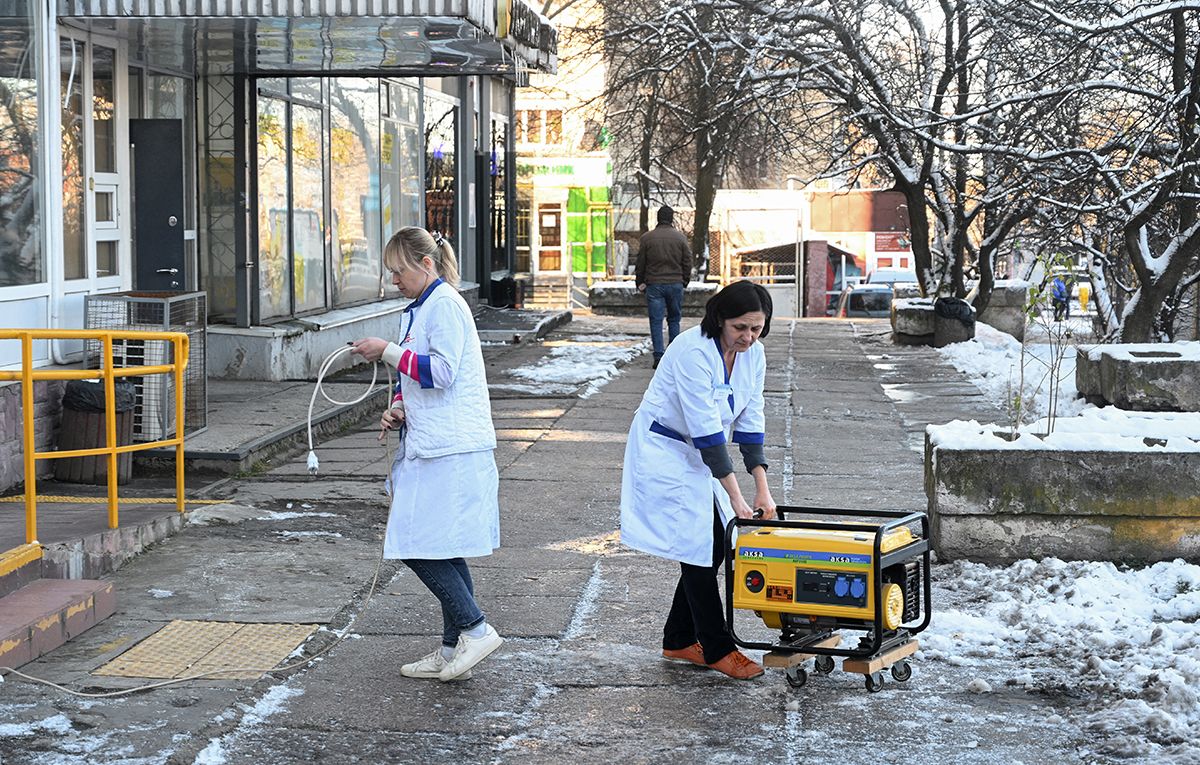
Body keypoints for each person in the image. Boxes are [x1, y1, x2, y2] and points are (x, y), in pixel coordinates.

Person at [350, 227, 503, 682]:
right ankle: (453, 648)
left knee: (414, 544)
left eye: (399, 271)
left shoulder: (445, 306)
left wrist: (387, 352)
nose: (394, 280)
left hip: (451, 448)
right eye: (391, 272)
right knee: (445, 546)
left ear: (427, 264)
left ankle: (476, 629)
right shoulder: (420, 308)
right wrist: (399, 406)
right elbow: (417, 378)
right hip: (434, 443)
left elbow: (442, 372)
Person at [620, 280, 777, 680]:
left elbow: (751, 417)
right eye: (740, 327)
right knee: (700, 545)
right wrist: (737, 499)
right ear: (720, 318)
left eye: (756, 328)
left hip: (702, 450)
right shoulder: (692, 351)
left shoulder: (754, 354)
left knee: (714, 544)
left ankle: (678, 638)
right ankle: (718, 647)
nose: (748, 337)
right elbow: (706, 430)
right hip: (667, 447)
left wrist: (762, 489)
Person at [636, 205, 693, 368]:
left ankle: (658, 355)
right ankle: (673, 356)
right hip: (675, 283)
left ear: (658, 218)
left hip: (654, 284)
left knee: (656, 321)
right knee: (674, 319)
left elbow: (641, 262)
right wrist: (685, 280)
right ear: (671, 218)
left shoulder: (647, 238)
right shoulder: (680, 238)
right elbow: (687, 261)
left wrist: (639, 281)